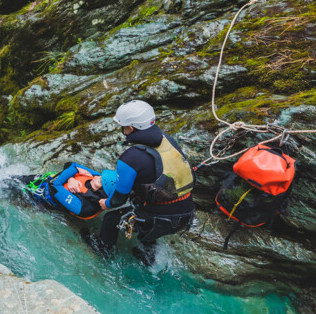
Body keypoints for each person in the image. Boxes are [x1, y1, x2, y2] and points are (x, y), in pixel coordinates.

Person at [91, 100, 196, 266]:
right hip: (187, 213)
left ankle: (102, 250)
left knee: (111, 218)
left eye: (123, 126)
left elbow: (118, 200)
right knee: (146, 219)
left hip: (161, 219)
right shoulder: (169, 140)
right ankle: (148, 256)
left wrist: (106, 203)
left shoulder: (130, 158)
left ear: (131, 129)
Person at [34, 162, 108, 220]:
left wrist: (75, 170)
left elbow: (53, 184)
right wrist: (71, 179)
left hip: (41, 199)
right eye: (100, 176)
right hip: (45, 182)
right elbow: (70, 164)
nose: (95, 176)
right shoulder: (101, 179)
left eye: (99, 181)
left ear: (101, 191)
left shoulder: (83, 208)